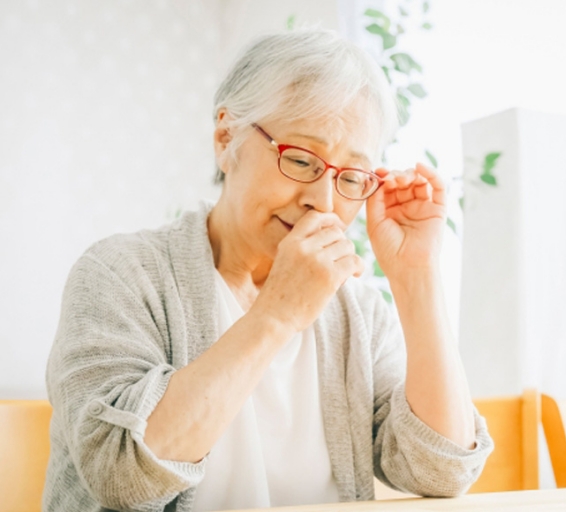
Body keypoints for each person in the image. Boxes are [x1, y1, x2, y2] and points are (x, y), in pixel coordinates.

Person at [43, 29, 492, 512]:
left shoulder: (356, 311)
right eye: (300, 160)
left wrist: (416, 276)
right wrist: (276, 315)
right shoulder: (120, 274)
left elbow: (440, 470)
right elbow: (121, 474)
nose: (322, 201)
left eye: (350, 177)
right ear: (225, 139)